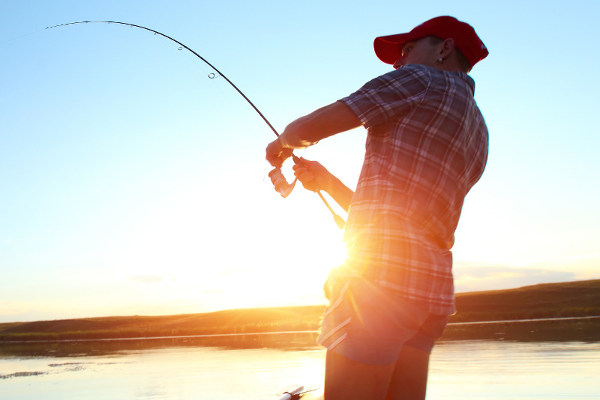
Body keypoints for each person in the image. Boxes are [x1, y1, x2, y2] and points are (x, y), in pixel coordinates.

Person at [265, 16, 489, 400]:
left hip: (380, 279)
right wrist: (327, 183)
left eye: (406, 51)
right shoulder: (479, 128)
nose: (398, 64)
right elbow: (399, 216)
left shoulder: (419, 80)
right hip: (429, 289)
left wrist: (283, 144)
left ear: (445, 49)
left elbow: (310, 128)